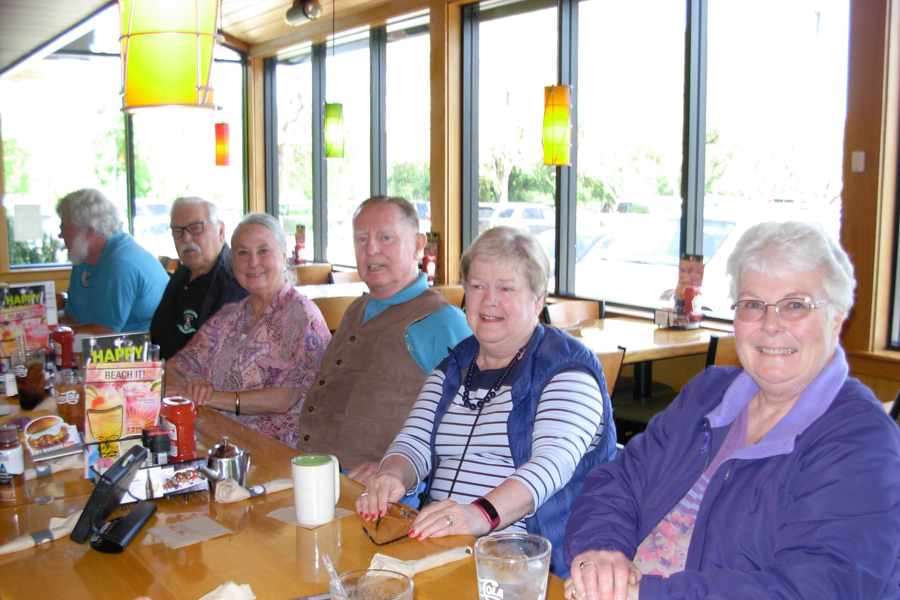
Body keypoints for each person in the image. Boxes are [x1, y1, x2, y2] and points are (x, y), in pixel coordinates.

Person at [563, 221, 900, 600]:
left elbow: (816, 588)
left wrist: (642, 594)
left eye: (795, 305)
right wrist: (602, 552)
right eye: (753, 304)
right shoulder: (709, 394)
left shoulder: (862, 441)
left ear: (836, 317)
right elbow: (617, 483)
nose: (771, 325)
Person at [356, 226, 617, 577]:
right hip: (442, 545)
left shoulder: (567, 370)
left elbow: (550, 465)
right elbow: (413, 441)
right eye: (478, 287)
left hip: (526, 562)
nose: (489, 300)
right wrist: (391, 476)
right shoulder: (454, 365)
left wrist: (478, 515)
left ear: (537, 300)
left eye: (506, 288)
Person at [296, 196, 471, 475]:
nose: (372, 250)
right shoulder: (357, 309)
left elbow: (470, 425)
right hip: (313, 473)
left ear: (417, 245)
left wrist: (396, 469)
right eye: (362, 239)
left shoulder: (443, 321)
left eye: (386, 237)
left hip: (383, 493)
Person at [165, 213, 331, 447]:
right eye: (242, 253)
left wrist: (208, 397)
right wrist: (188, 386)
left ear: (283, 255)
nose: (253, 263)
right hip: (220, 438)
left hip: (277, 449)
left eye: (263, 251)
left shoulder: (300, 315)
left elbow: (285, 398)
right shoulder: (229, 315)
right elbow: (175, 366)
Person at [56, 188, 168, 334]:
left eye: (64, 229)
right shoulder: (84, 258)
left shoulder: (120, 265)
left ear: (89, 231)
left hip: (137, 352)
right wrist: (40, 324)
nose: (60, 235)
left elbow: (104, 333)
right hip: (101, 350)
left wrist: (49, 334)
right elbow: (72, 319)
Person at [150, 197, 248, 359]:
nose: (186, 238)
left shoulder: (236, 281)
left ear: (221, 231)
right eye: (177, 230)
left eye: (196, 228)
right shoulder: (181, 275)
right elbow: (157, 337)